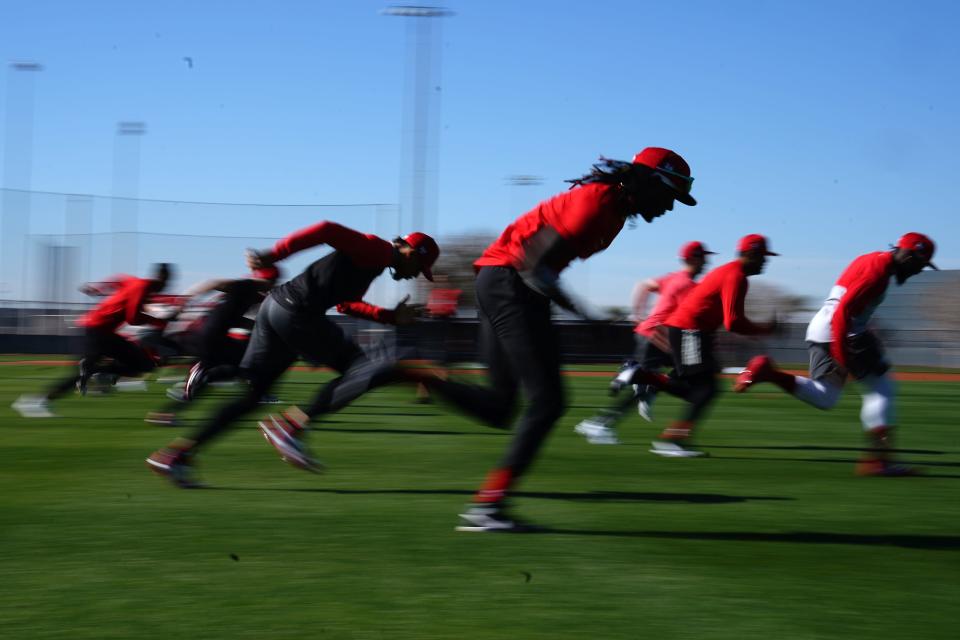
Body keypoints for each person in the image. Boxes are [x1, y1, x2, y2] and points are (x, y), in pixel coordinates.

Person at [416, 147, 698, 532]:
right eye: (670, 196)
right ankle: (488, 508)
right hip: (510, 283)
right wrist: (588, 317)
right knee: (548, 402)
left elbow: (539, 269)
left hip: (502, 282)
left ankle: (411, 374)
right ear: (650, 181)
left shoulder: (611, 210)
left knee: (501, 407)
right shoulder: (598, 203)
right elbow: (535, 268)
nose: (670, 207)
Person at [146, 222, 438, 487]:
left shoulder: (375, 261)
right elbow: (326, 230)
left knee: (252, 395)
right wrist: (274, 255)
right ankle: (291, 427)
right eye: (420, 268)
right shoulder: (376, 249)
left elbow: (346, 305)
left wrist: (390, 317)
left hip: (276, 308)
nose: (415, 275)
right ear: (412, 252)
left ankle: (176, 455)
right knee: (366, 368)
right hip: (297, 313)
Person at [733, 232, 937, 476]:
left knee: (825, 397)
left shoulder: (872, 259)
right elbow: (843, 313)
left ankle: (768, 373)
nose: (918, 271)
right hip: (841, 333)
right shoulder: (879, 271)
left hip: (823, 328)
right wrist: (842, 356)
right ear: (910, 255)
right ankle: (879, 460)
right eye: (920, 265)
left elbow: (849, 306)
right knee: (882, 388)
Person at [615, 234, 777, 457]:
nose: (765, 261)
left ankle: (641, 378)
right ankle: (671, 440)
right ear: (751, 254)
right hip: (690, 331)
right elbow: (733, 322)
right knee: (705, 389)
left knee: (695, 388)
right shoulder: (736, 276)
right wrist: (763, 329)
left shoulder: (733, 273)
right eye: (763, 256)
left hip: (690, 331)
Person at [574, 240, 715, 444]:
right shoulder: (688, 285)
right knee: (658, 383)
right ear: (693, 258)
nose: (707, 262)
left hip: (652, 334)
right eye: (704, 257)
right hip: (658, 336)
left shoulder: (673, 278)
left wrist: (638, 313)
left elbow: (643, 285)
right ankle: (599, 423)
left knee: (672, 380)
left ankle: (631, 394)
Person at [12, 263, 175, 418]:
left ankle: (95, 375)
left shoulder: (136, 282)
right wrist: (159, 321)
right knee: (142, 364)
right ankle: (37, 401)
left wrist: (98, 288)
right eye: (167, 282)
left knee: (142, 364)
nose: (167, 286)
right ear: (162, 278)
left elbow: (119, 278)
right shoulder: (143, 287)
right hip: (98, 331)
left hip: (100, 330)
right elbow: (132, 318)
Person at [143, 266, 281, 425]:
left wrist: (259, 327)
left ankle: (170, 409)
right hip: (209, 335)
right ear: (268, 280)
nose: (274, 286)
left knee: (234, 367)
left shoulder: (253, 295)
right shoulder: (248, 285)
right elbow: (213, 283)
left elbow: (239, 319)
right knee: (236, 365)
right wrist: (184, 300)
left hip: (212, 335)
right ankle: (199, 377)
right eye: (274, 282)